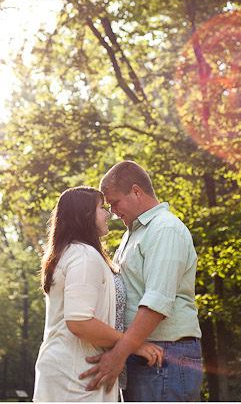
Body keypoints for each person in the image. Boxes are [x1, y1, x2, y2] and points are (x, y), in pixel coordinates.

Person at [80, 161, 203, 401]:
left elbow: (157, 301)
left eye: (115, 202)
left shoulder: (165, 229)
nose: (112, 211)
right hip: (143, 351)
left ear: (136, 191)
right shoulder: (134, 234)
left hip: (166, 354)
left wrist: (118, 354)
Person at [34, 186, 163, 402]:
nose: (108, 213)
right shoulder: (83, 256)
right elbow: (79, 321)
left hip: (73, 371)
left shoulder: (72, 253)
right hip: (74, 375)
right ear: (84, 215)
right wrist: (133, 345)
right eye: (101, 208)